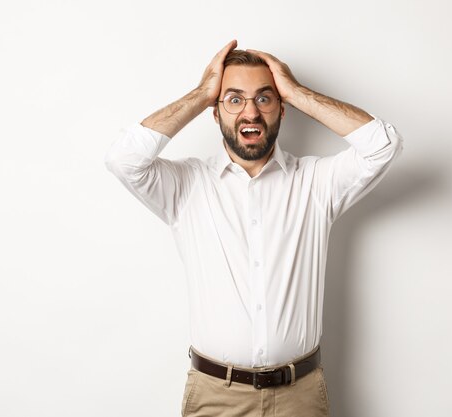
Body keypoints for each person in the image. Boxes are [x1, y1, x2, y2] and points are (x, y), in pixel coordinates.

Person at [105, 40, 403, 417]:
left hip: (301, 397)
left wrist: (295, 91)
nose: (251, 112)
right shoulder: (185, 185)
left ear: (282, 109)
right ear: (215, 113)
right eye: (234, 100)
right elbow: (123, 159)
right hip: (217, 397)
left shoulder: (316, 182)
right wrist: (201, 94)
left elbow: (383, 145)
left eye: (264, 99)